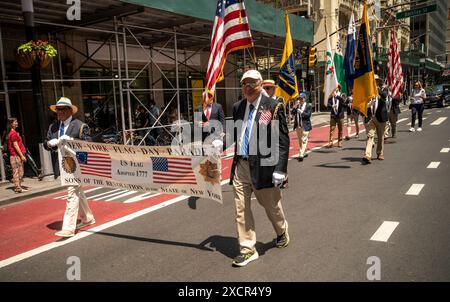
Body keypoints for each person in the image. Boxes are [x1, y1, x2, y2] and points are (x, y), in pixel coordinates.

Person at [229, 69, 290, 267]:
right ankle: (248, 249)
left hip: (264, 167)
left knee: (271, 205)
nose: (248, 87)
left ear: (261, 84)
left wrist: (280, 169)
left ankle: (281, 231)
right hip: (241, 166)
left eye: (252, 83)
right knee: (241, 208)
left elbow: (282, 140)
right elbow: (236, 134)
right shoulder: (238, 106)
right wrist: (219, 143)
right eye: (244, 83)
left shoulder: (272, 106)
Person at [44, 97, 95, 237]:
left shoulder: (80, 125)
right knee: (78, 191)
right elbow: (46, 143)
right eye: (57, 110)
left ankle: (68, 227)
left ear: (69, 110)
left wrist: (73, 141)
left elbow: (89, 144)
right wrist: (49, 144)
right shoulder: (53, 127)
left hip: (77, 166)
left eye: (61, 109)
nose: (59, 112)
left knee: (72, 193)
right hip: (63, 166)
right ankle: (87, 217)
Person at [362, 86, 389, 164]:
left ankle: (380, 153)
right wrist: (370, 103)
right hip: (371, 118)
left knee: (381, 137)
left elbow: (385, 96)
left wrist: (378, 90)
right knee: (370, 135)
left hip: (380, 118)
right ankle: (367, 155)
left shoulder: (383, 91)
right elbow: (364, 105)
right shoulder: (367, 94)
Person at [6, 117, 28, 193]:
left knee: (18, 171)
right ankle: (18, 188)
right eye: (15, 122)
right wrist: (21, 155)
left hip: (15, 155)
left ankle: (18, 187)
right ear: (11, 124)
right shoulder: (13, 133)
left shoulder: (12, 133)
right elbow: (15, 145)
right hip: (16, 155)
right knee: (19, 172)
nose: (17, 123)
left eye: (17, 121)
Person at [293, 92, 312, 162]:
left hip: (305, 125)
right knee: (300, 140)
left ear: (304, 99)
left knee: (304, 140)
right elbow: (292, 112)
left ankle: (301, 154)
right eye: (299, 99)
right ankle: (305, 151)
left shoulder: (308, 106)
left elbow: (308, 115)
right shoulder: (297, 105)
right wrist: (295, 106)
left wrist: (301, 112)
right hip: (298, 125)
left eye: (301, 98)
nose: (300, 100)